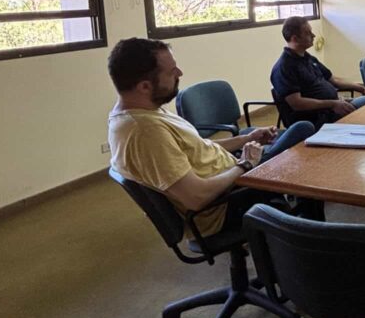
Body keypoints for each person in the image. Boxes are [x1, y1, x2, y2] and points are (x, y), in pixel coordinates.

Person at [107, 38, 317, 237]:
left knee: (292, 141)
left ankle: (302, 227)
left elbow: (197, 148)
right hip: (225, 205)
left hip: (232, 178)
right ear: (144, 86)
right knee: (302, 131)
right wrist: (245, 164)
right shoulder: (145, 132)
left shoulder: (148, 111)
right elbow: (196, 198)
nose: (180, 73)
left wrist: (246, 139)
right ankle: (306, 232)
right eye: (172, 72)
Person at [271, 16, 365, 129]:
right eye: (308, 33)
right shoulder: (284, 67)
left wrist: (361, 88)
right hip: (315, 120)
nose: (313, 35)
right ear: (295, 39)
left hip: (330, 109)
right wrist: (332, 104)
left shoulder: (308, 58)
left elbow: (334, 80)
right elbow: (297, 103)